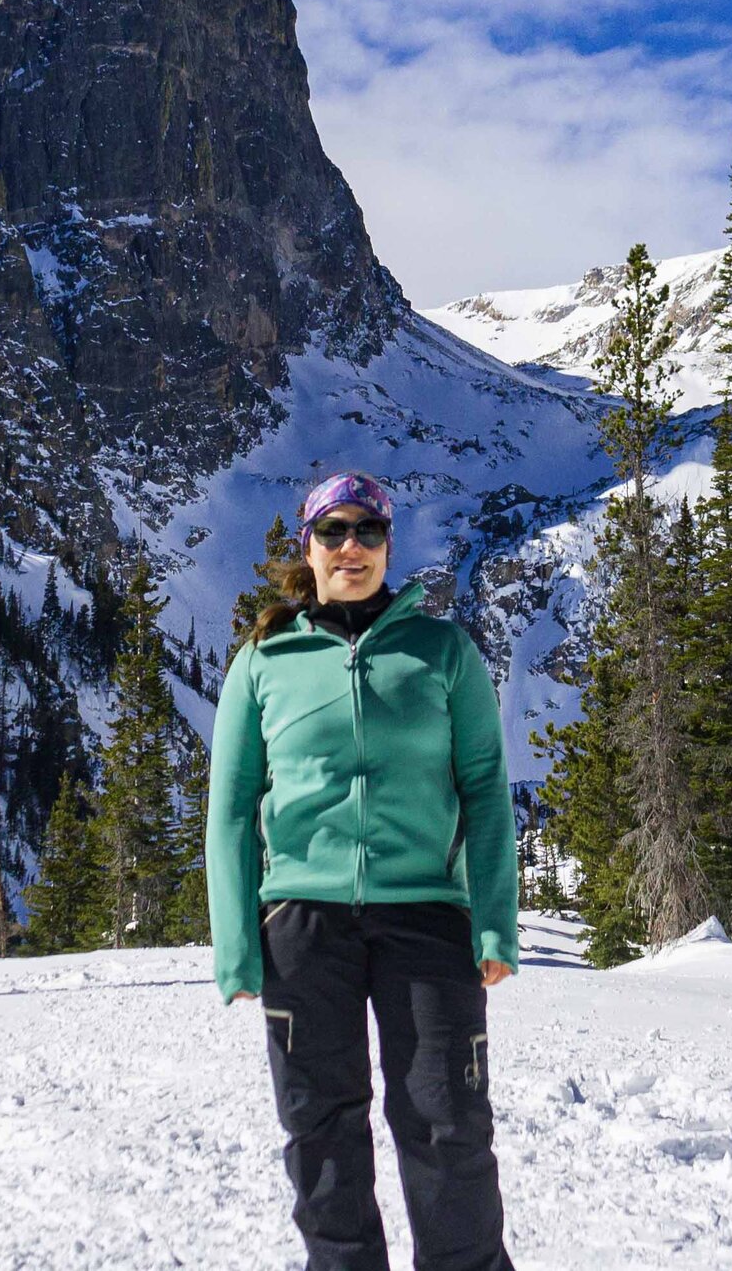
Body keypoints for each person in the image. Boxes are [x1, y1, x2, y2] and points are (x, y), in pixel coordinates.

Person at [206, 471, 520, 1271]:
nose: (352, 547)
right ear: (306, 547)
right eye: (334, 532)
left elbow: (484, 792)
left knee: (447, 1121)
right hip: (303, 922)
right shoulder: (263, 660)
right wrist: (237, 944)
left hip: (426, 917)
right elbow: (233, 808)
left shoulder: (444, 652)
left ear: (389, 544)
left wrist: (494, 923)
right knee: (322, 1127)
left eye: (369, 532)